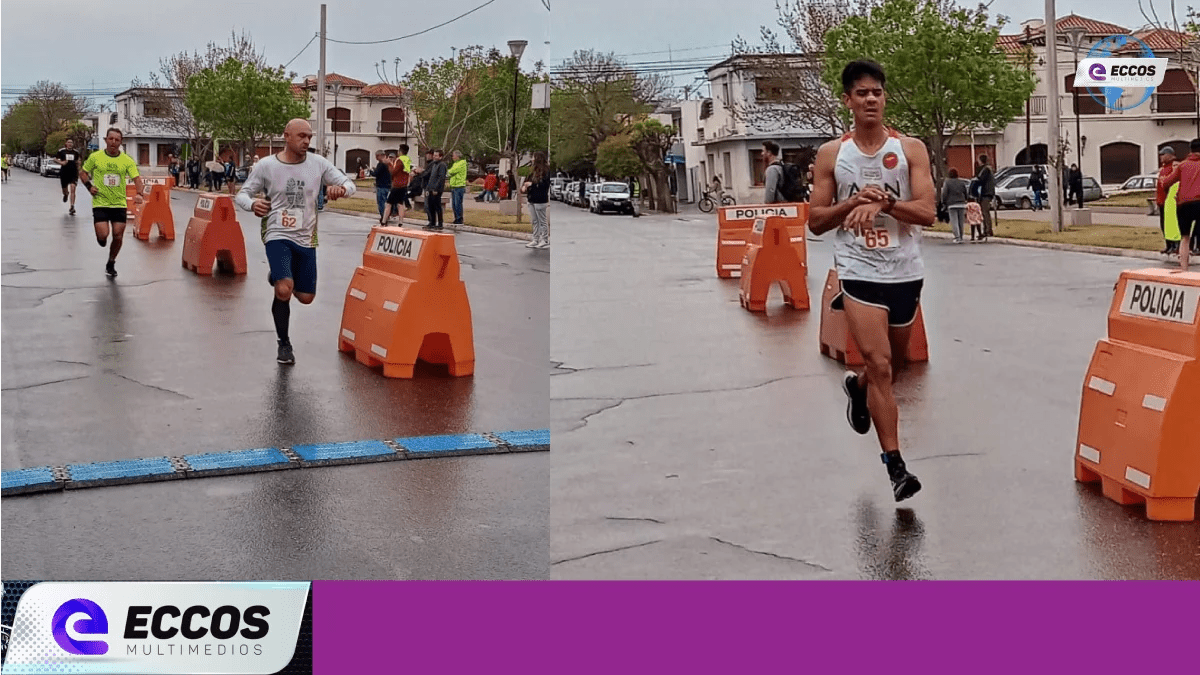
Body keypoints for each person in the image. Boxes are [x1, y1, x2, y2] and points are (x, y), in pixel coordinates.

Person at [806, 60, 936, 503]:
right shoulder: (832, 155)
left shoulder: (910, 148)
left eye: (877, 92)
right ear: (848, 101)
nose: (871, 100)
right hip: (858, 271)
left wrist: (885, 204)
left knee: (892, 369)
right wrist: (853, 203)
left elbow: (927, 214)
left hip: (904, 270)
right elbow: (816, 223)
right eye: (862, 93)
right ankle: (896, 467)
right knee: (880, 364)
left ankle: (857, 389)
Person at [235, 118, 356, 364]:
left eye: (309, 137)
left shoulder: (318, 164)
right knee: (284, 289)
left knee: (306, 297)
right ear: (286, 136)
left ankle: (277, 275)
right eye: (301, 136)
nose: (306, 141)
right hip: (277, 233)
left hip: (306, 236)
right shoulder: (267, 165)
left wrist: (341, 189)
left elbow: (348, 183)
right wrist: (252, 204)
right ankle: (284, 344)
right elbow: (242, 194)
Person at [79, 128, 144, 277]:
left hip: (118, 203)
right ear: (106, 140)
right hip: (100, 202)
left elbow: (137, 179)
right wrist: (89, 186)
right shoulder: (96, 157)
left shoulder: (127, 160)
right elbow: (83, 173)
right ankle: (101, 238)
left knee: (118, 235)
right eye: (111, 139)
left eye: (117, 140)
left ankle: (111, 261)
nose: (113, 142)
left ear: (121, 142)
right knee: (103, 236)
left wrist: (140, 194)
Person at [1159, 138, 1200, 272]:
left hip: (1183, 205)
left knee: (1185, 237)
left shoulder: (1182, 166)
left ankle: (1184, 269)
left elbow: (1166, 183)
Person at [522, 151, 551, 249]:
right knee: (534, 221)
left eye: (533, 157)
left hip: (540, 199)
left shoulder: (546, 171)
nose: (532, 159)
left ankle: (545, 240)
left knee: (542, 220)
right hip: (532, 198)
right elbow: (527, 181)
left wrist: (532, 185)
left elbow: (544, 185)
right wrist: (525, 186)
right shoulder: (532, 170)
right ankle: (535, 239)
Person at [1157, 147, 1179, 255]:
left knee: (1173, 225)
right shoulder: (1163, 169)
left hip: (1170, 201)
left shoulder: (1174, 167)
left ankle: (1175, 245)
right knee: (1164, 225)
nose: (1161, 157)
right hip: (1162, 201)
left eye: (1163, 155)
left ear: (1170, 155)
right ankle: (1168, 245)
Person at [382, 145, 412, 226]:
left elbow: (393, 172)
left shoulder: (399, 160)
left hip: (397, 185)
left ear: (400, 151)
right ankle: (401, 222)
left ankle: (383, 221)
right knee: (400, 204)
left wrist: (390, 164)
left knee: (388, 203)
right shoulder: (407, 160)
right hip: (404, 185)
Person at [941, 168, 969, 243]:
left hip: (952, 204)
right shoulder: (961, 182)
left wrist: (943, 202)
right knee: (961, 221)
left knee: (954, 221)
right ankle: (961, 236)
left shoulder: (947, 182)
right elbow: (965, 192)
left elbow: (944, 193)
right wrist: (965, 199)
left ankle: (957, 237)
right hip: (961, 203)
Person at [57, 138, 83, 215]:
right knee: (65, 190)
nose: (70, 144)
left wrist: (79, 165)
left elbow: (79, 161)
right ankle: (65, 194)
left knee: (73, 188)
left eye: (71, 142)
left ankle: (72, 206)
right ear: (66, 143)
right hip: (64, 173)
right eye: (69, 142)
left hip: (73, 173)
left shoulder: (76, 152)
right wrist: (61, 162)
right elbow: (55, 159)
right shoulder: (61, 151)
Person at [423, 149, 447, 231]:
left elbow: (441, 177)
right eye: (434, 155)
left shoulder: (442, 165)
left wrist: (436, 188)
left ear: (441, 157)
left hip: (436, 189)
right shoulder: (434, 164)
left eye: (436, 155)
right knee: (430, 206)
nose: (434, 157)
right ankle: (432, 222)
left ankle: (440, 223)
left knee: (437, 206)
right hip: (430, 188)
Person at [975, 154, 995, 239]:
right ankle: (987, 229)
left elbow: (980, 180)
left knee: (985, 213)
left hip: (985, 193)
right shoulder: (988, 169)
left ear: (981, 160)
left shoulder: (985, 170)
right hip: (988, 193)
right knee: (985, 213)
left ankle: (987, 230)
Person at [447, 150, 468, 225]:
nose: (452, 157)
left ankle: (459, 218)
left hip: (459, 186)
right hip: (454, 185)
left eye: (453, 155)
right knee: (454, 204)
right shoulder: (455, 163)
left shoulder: (461, 163)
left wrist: (449, 172)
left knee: (457, 203)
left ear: (457, 156)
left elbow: (452, 171)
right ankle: (456, 218)